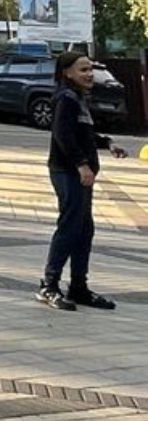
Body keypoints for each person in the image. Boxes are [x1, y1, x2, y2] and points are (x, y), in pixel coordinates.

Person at [38, 49, 128, 311]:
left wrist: (107, 143)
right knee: (69, 228)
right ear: (67, 72)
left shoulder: (77, 97)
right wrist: (81, 165)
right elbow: (62, 135)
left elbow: (83, 133)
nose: (89, 74)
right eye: (83, 69)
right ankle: (49, 285)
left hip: (80, 173)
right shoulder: (65, 98)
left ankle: (79, 287)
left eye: (90, 69)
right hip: (68, 172)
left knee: (84, 229)